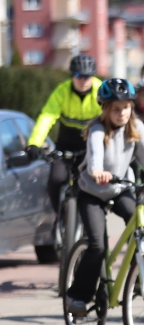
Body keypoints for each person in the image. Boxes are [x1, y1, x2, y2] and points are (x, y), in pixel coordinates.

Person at [64, 78, 144, 315]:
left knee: (139, 225)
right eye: (116, 109)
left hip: (120, 187)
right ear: (106, 109)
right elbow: (95, 156)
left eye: (126, 107)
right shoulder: (97, 130)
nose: (122, 113)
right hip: (92, 191)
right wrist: (97, 172)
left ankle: (140, 276)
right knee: (98, 245)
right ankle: (77, 295)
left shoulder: (136, 127)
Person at [26, 54, 103, 211]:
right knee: (55, 179)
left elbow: (110, 119)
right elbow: (47, 117)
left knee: (92, 185)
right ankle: (57, 216)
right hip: (65, 144)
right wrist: (35, 142)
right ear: (72, 75)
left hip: (90, 146)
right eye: (78, 75)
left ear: (93, 76)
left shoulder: (100, 91)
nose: (83, 80)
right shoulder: (62, 91)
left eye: (87, 76)